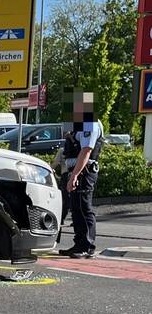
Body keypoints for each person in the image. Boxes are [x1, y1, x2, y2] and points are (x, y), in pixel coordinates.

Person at [60, 93, 103, 259]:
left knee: (84, 207)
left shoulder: (90, 123)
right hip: (76, 171)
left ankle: (87, 246)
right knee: (76, 208)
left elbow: (86, 151)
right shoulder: (79, 124)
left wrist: (75, 176)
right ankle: (79, 244)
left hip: (84, 171)